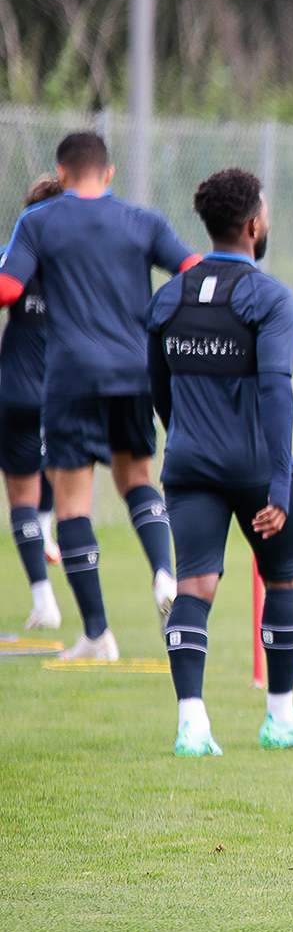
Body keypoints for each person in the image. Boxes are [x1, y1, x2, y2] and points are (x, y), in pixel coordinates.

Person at [0, 132, 196, 660]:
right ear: (108, 174)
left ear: (61, 174)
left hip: (71, 379)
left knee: (72, 504)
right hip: (136, 374)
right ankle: (163, 574)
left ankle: (97, 633)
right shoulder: (144, 221)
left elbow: (9, 290)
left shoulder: (38, 221)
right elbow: (192, 269)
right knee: (137, 481)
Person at [147, 168, 293, 756]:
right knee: (284, 579)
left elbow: (158, 390)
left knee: (194, 586)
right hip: (255, 470)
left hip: (188, 464)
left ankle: (192, 724)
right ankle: (281, 718)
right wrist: (276, 482)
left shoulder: (168, 295)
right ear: (253, 225)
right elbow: (276, 391)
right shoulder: (270, 298)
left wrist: (187, 439)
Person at [3, 175, 63, 629]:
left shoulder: (16, 261)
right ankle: (48, 522)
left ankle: (44, 601)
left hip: (18, 389)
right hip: (67, 391)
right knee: (68, 468)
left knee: (20, 493)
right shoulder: (83, 267)